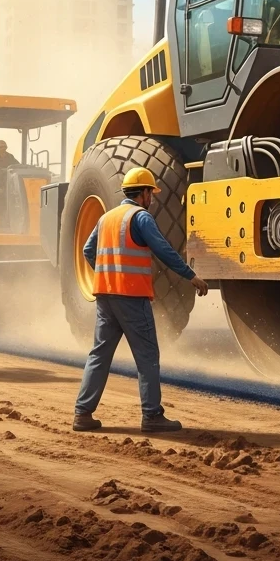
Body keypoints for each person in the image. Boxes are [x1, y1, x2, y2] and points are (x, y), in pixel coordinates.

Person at [73, 168, 209, 432]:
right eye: (151, 193)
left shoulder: (107, 218)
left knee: (99, 354)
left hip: (105, 296)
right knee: (147, 356)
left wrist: (105, 273)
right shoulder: (140, 217)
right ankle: (152, 416)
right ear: (144, 193)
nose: (153, 199)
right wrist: (190, 275)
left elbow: (88, 250)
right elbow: (164, 251)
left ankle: (82, 414)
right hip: (132, 297)